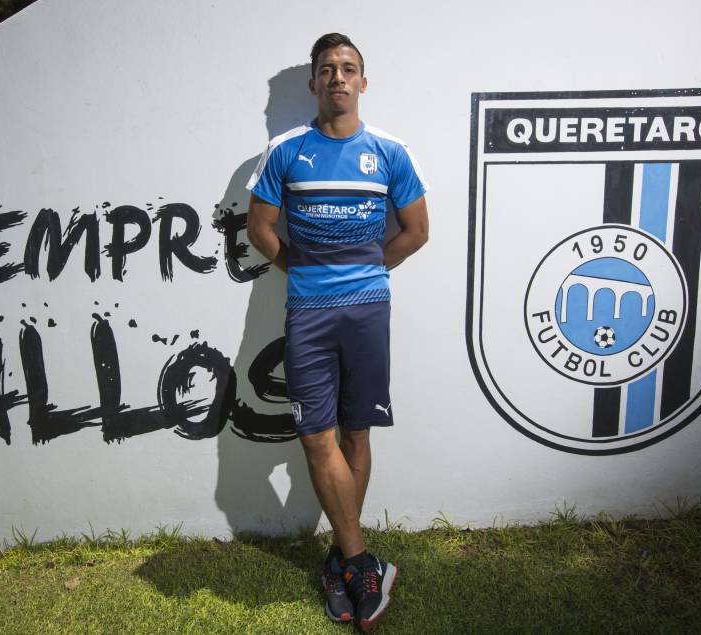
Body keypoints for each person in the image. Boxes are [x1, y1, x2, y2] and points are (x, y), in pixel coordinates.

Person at [245, 32, 429, 631]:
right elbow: (261, 229)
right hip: (307, 315)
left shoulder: (391, 151)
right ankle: (362, 562)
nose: (338, 78)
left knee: (357, 433)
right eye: (327, 69)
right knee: (315, 437)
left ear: (363, 82)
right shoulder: (286, 150)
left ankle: (339, 558)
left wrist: (368, 269)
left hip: (369, 312)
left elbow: (416, 231)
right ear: (314, 83)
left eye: (349, 68)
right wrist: (302, 268)